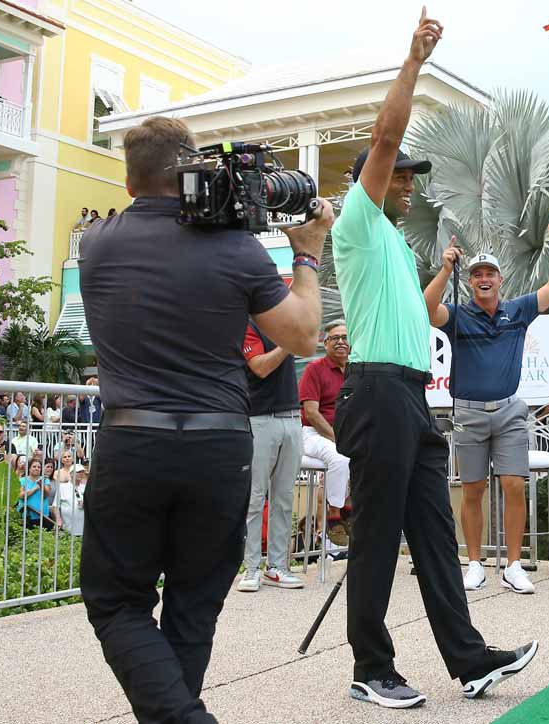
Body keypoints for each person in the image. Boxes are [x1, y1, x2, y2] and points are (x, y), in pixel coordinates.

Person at [78, 113, 329, 724]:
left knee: (116, 603)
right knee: (193, 603)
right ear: (191, 168)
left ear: (130, 178)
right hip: (219, 445)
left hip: (132, 440)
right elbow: (302, 336)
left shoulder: (96, 243)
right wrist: (309, 255)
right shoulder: (236, 248)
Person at [329, 11, 535, 709]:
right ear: (371, 180)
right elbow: (386, 134)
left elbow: (415, 313)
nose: (408, 182)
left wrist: (439, 275)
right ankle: (370, 669)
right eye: (400, 175)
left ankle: (470, 659)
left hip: (410, 395)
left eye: (411, 176)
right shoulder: (358, 219)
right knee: (378, 540)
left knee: (437, 537)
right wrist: (413, 61)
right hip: (377, 392)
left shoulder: (390, 241)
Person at [423, 221, 549, 595]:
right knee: (472, 489)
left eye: (489, 273)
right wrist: (444, 270)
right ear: (471, 282)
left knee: (513, 485)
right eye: (477, 275)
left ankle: (514, 565)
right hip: (469, 413)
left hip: (509, 411)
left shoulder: (518, 311)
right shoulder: (458, 314)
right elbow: (426, 310)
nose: (483, 279)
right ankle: (474, 563)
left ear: (500, 279)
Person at [236, 321, 305, 593]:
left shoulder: (284, 324)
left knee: (284, 498)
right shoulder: (248, 325)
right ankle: (251, 568)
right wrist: (290, 340)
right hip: (260, 418)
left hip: (291, 415)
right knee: (255, 496)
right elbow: (260, 367)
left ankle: (276, 568)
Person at [297, 320, 352, 541]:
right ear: (325, 343)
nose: (340, 342)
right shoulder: (314, 369)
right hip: (314, 434)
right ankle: (334, 514)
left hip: (348, 433)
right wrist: (336, 437)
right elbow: (311, 413)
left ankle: (351, 508)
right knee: (340, 458)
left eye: (344, 338)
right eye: (334, 338)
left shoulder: (358, 370)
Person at [16, 459, 53, 529]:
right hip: (27, 516)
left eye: (39, 467)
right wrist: (36, 488)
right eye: (34, 466)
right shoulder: (22, 480)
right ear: (29, 468)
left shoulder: (45, 480)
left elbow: (46, 495)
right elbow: (21, 496)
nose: (37, 468)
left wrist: (42, 485)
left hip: (43, 516)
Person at [57, 465, 87, 536]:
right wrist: (58, 520)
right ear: (71, 473)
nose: (81, 474)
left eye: (82, 472)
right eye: (78, 472)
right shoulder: (62, 487)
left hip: (83, 529)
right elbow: (55, 506)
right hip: (67, 529)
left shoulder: (86, 487)